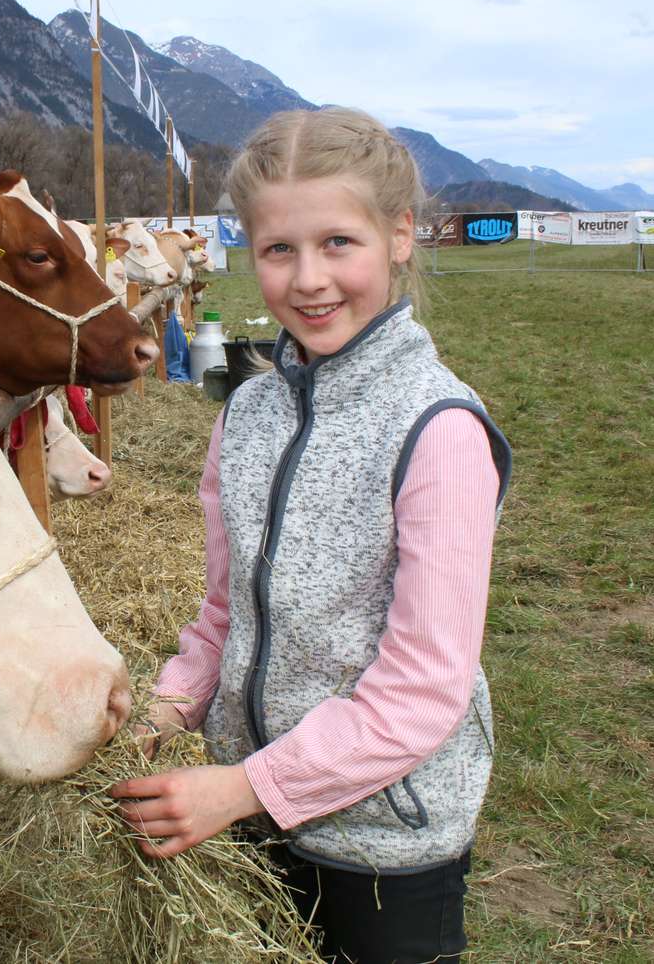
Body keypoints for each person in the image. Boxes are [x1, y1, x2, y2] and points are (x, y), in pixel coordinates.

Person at [110, 107, 511, 964]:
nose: (308, 280)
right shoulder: (247, 414)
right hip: (250, 821)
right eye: (278, 250)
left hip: (384, 843)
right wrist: (163, 711)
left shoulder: (438, 430)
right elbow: (224, 616)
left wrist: (244, 788)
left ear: (400, 236)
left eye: (338, 243)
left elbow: (422, 691)